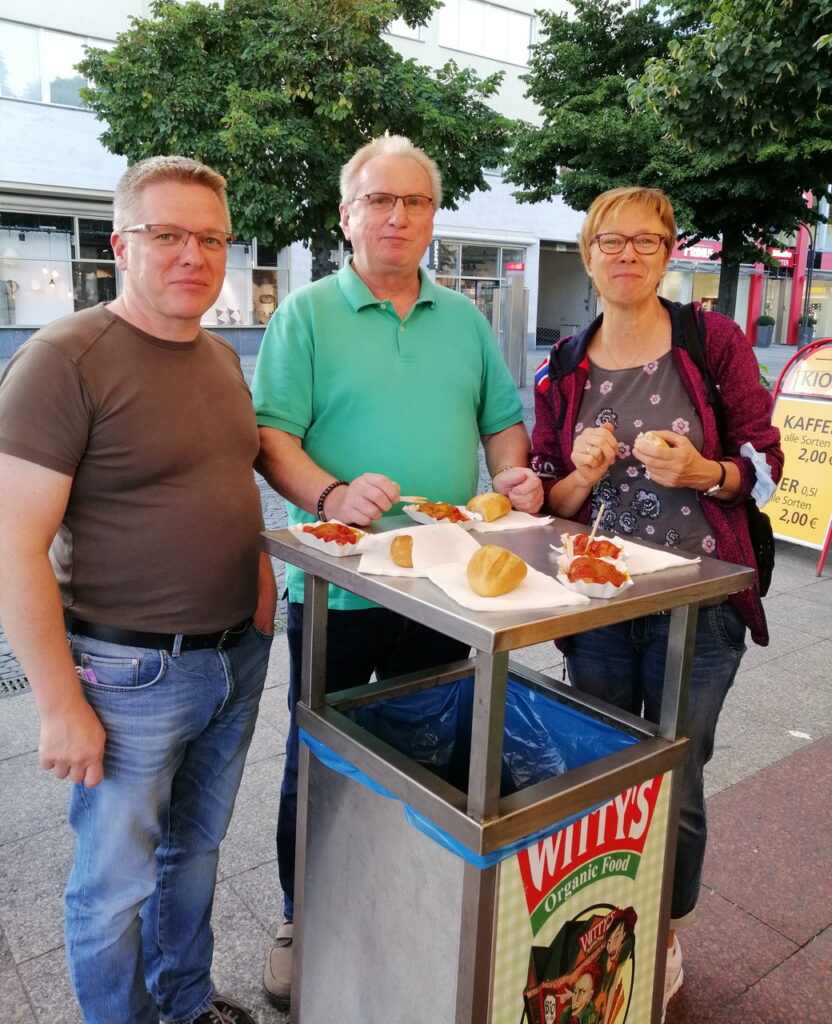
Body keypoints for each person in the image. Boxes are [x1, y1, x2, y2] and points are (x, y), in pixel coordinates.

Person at [252, 134, 543, 1008]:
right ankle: (306, 917)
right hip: (338, 586)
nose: (398, 216)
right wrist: (332, 493)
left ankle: (421, 900)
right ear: (347, 216)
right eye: (379, 200)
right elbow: (272, 440)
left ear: (431, 220)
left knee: (436, 750)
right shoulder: (305, 315)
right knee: (322, 758)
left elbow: (500, 418)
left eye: (415, 202)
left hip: (449, 587)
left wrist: (514, 476)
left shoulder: (463, 318)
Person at [0, 156, 277, 1024]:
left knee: (196, 853)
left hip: (235, 657)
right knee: (112, 888)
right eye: (167, 235)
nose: (191, 254)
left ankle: (186, 1006)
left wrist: (261, 592)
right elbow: (13, 547)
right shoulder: (63, 360)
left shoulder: (222, 357)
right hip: (127, 675)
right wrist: (57, 703)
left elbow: (228, 479)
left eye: (210, 238)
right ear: (122, 244)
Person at [529, 186, 783, 1021]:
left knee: (676, 770)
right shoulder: (565, 364)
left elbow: (769, 466)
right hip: (597, 604)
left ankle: (664, 935)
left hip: (701, 602)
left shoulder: (712, 341)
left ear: (671, 251)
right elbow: (549, 501)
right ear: (589, 250)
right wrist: (583, 471)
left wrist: (708, 473)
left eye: (646, 240)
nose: (627, 255)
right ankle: (600, 919)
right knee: (602, 765)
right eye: (611, 240)